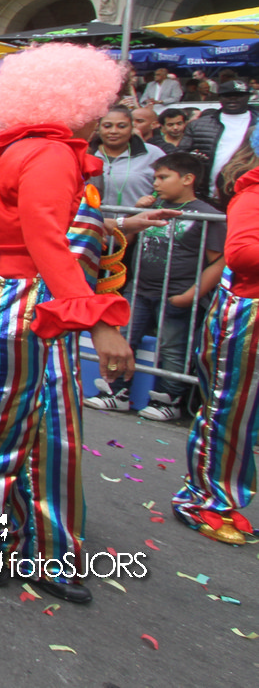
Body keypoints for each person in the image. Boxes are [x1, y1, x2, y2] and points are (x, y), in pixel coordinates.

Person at [0, 44, 170, 605]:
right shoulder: (51, 154)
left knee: (35, 428)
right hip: (19, 307)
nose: (102, 116)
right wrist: (98, 320)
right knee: (0, 433)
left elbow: (31, 228)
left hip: (5, 304)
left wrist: (117, 231)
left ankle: (39, 547)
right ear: (77, 102)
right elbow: (44, 238)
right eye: (100, 105)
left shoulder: (14, 150)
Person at [87, 152, 225, 421]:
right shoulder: (153, 207)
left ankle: (168, 398)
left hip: (177, 292)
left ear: (187, 179)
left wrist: (191, 294)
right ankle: (116, 391)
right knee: (124, 336)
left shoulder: (208, 214)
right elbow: (125, 240)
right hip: (139, 288)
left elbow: (219, 261)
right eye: (155, 178)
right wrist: (137, 213)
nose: (156, 184)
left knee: (172, 346)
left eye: (163, 177)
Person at [172, 127, 259, 546]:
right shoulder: (252, 194)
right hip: (248, 315)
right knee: (230, 410)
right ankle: (206, 498)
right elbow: (241, 254)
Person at [179, 80, 259, 204]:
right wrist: (193, 158)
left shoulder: (257, 125)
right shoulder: (198, 125)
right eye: (227, 95)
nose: (233, 99)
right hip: (207, 195)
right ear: (219, 97)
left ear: (248, 97)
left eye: (238, 95)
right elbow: (180, 156)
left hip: (250, 195)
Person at [90, 106, 158, 206]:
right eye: (107, 126)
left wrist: (149, 201)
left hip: (139, 215)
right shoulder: (87, 153)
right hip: (91, 216)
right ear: (98, 128)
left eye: (121, 126)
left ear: (132, 128)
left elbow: (168, 189)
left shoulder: (152, 153)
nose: (113, 131)